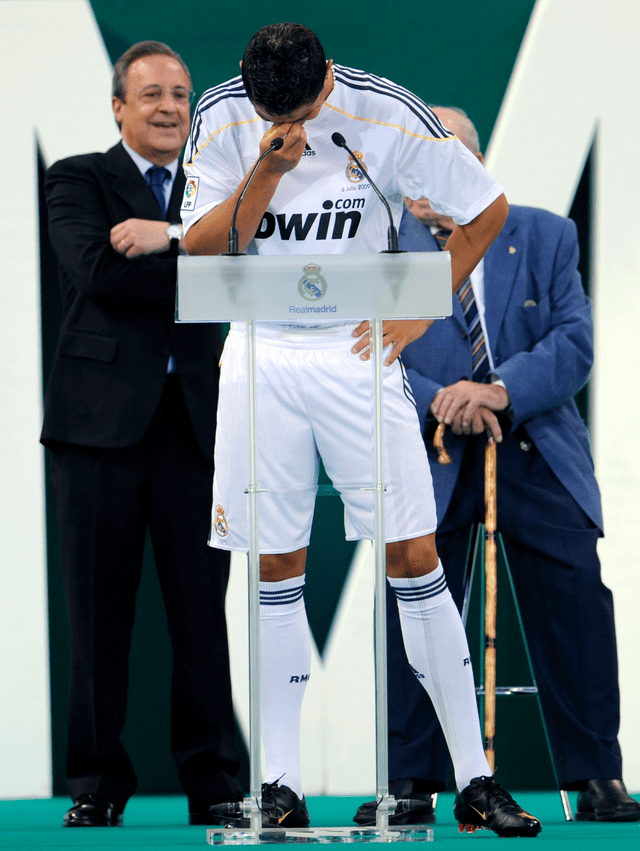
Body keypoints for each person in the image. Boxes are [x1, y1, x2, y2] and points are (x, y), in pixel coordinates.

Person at [181, 23, 541, 838]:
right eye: (277, 110)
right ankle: (277, 783)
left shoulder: (386, 110)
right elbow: (204, 251)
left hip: (356, 350)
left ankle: (477, 780)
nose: (295, 123)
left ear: (329, 79)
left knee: (415, 553)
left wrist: (423, 305)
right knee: (275, 564)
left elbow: (486, 207)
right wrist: (268, 170)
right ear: (248, 85)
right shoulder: (222, 114)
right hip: (262, 350)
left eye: (305, 109)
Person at [359, 105, 640, 824]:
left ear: (477, 162)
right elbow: (365, 351)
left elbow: (573, 341)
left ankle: (598, 778)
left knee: (576, 598)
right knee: (416, 608)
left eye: (452, 155)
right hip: (433, 446)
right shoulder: (383, 249)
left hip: (532, 440)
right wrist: (444, 400)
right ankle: (411, 781)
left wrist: (497, 389)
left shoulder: (544, 233)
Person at [43, 40, 243, 828]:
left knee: (203, 614)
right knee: (97, 613)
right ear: (118, 107)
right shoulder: (76, 177)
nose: (169, 108)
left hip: (195, 424)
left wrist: (166, 239)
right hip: (97, 431)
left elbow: (245, 274)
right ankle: (96, 781)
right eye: (152, 94)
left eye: (181, 95)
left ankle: (215, 780)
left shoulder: (213, 188)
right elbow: (99, 273)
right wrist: (199, 259)